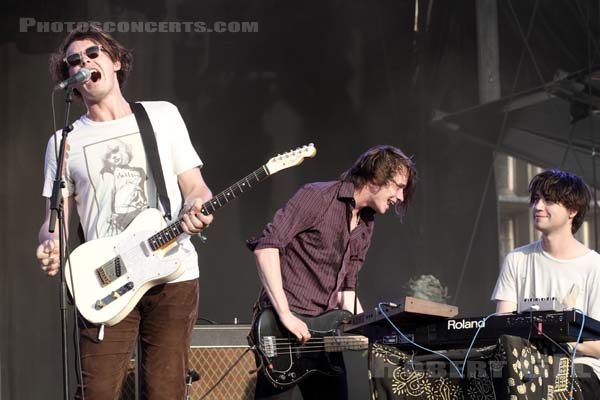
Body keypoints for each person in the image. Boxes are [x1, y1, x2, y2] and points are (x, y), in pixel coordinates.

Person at [34, 27, 213, 399]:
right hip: (108, 277)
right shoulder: (64, 141)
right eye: (74, 61)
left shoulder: (161, 116)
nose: (84, 62)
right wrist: (50, 242)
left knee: (166, 390)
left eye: (93, 53)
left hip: (172, 271)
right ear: (70, 78)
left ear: (116, 62)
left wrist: (196, 204)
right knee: (97, 390)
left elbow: (194, 186)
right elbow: (56, 222)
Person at [247, 145, 417, 399]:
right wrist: (285, 314)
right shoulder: (317, 197)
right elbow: (266, 247)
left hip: (324, 338)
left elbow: (347, 290)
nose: (401, 197)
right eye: (398, 186)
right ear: (376, 177)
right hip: (284, 332)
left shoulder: (366, 222)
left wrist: (375, 327)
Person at [491, 169, 600, 398]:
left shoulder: (594, 266)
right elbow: (501, 330)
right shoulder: (517, 260)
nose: (537, 207)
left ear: (573, 210)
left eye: (548, 200)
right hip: (525, 366)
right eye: (535, 199)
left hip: (581, 370)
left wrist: (556, 340)